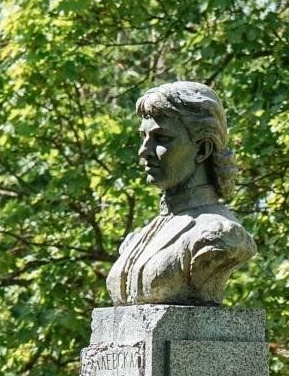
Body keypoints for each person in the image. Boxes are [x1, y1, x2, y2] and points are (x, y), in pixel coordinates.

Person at [106, 81, 255, 306]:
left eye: (161, 138)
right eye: (143, 138)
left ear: (203, 149)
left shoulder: (220, 235)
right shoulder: (139, 238)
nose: (143, 151)